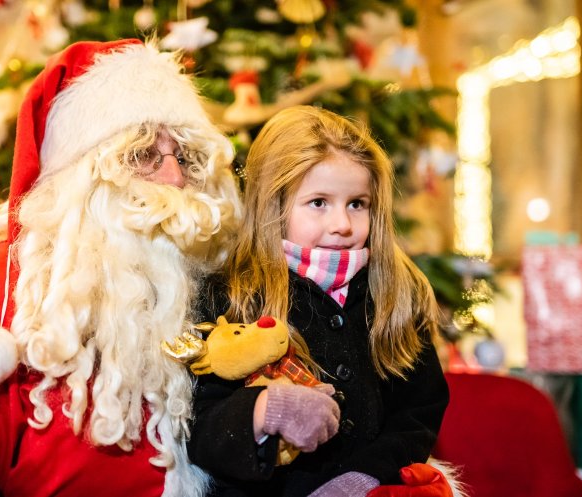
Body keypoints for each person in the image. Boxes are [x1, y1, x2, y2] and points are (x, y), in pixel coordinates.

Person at [0, 39, 242, 497]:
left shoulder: (210, 286)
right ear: (78, 179)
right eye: (142, 153)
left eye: (185, 156)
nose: (175, 179)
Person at [187, 105, 451, 497]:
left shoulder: (395, 292)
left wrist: (363, 478)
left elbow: (418, 413)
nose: (342, 224)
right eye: (319, 202)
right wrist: (263, 412)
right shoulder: (229, 295)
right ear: (274, 205)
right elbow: (200, 426)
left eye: (357, 203)